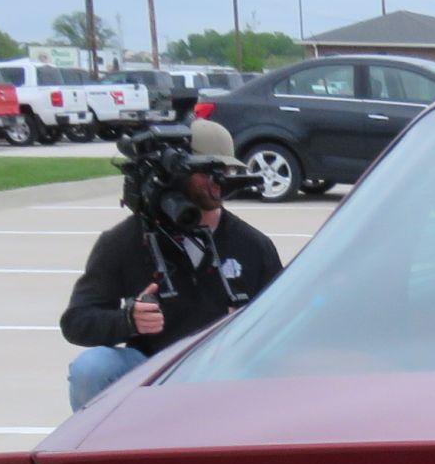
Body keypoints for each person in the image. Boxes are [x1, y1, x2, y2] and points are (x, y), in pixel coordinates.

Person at [60, 120, 284, 410]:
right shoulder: (125, 241)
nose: (218, 181)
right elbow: (76, 321)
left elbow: (283, 324)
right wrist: (128, 321)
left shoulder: (252, 245)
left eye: (225, 171)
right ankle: (97, 451)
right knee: (91, 368)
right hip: (152, 368)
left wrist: (246, 327)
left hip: (224, 370)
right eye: (206, 171)